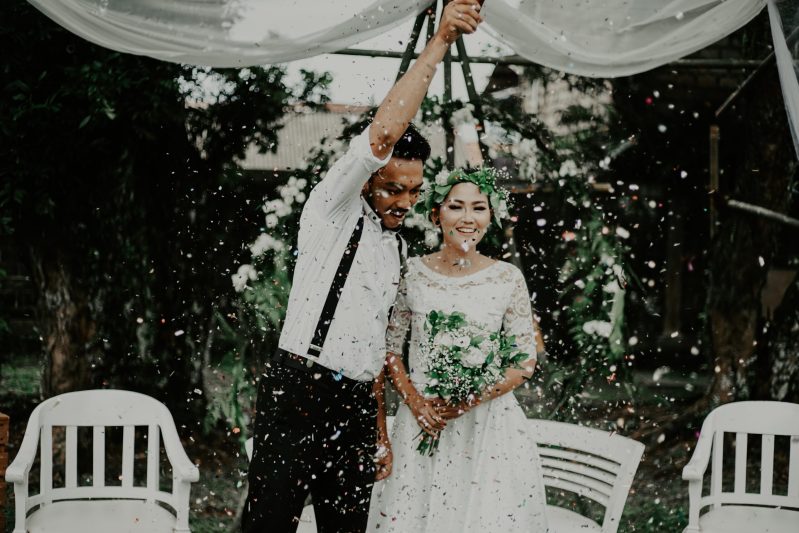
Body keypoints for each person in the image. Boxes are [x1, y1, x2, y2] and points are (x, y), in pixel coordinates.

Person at [242, 2, 485, 531]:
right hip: (298, 389)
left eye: (415, 192)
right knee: (268, 524)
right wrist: (440, 39)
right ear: (369, 178)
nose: (405, 201)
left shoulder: (394, 247)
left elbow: (373, 349)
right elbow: (383, 133)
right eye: (393, 188)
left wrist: (376, 429)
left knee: (347, 527)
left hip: (354, 404)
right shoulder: (333, 206)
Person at [367, 168, 550, 532]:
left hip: (487, 427)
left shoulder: (507, 277)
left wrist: (469, 398)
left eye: (478, 208)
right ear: (436, 214)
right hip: (422, 421)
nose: (468, 218)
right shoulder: (412, 272)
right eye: (456, 207)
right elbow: (388, 349)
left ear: (490, 217)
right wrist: (416, 403)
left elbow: (523, 362)